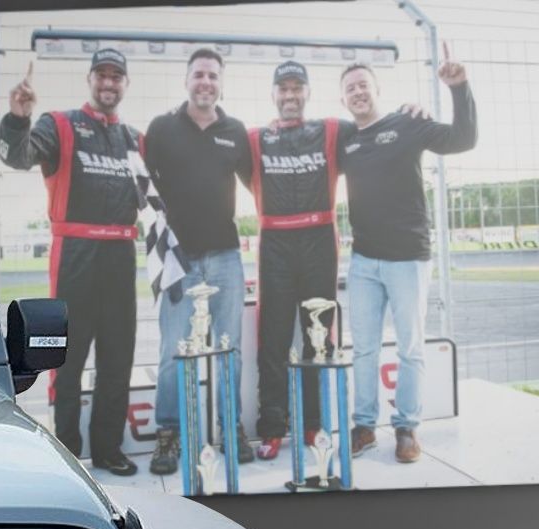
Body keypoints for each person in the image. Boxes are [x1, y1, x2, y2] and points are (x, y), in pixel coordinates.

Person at [0, 49, 142, 476]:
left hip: (122, 255)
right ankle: (68, 449)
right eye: (102, 75)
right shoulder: (59, 124)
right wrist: (18, 118)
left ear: (125, 84)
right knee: (69, 358)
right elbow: (17, 156)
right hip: (75, 252)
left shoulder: (136, 138)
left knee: (118, 358)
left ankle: (109, 448)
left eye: (117, 76)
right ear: (90, 80)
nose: (109, 83)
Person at [339, 47, 476, 463]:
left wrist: (458, 88)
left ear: (377, 89)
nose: (358, 92)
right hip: (363, 261)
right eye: (350, 89)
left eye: (363, 84)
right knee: (362, 348)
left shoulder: (408, 122)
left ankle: (406, 429)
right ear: (343, 99)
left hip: (408, 258)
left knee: (410, 349)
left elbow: (463, 139)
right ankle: (363, 426)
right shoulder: (345, 139)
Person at [143, 47, 256, 476]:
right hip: (177, 257)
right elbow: (141, 189)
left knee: (229, 350)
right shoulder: (162, 128)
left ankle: (231, 429)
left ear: (220, 82)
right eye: (199, 75)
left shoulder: (236, 131)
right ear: (187, 80)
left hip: (226, 254)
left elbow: (259, 185)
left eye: (212, 76)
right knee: (174, 351)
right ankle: (169, 433)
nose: (205, 82)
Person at [247, 61, 345, 461]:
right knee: (272, 339)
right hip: (275, 242)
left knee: (317, 339)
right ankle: (272, 427)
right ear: (273, 94)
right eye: (283, 89)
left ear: (307, 92)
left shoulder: (331, 130)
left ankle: (313, 424)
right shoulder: (255, 138)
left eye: (297, 88)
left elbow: (374, 134)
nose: (290, 96)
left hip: (321, 240)